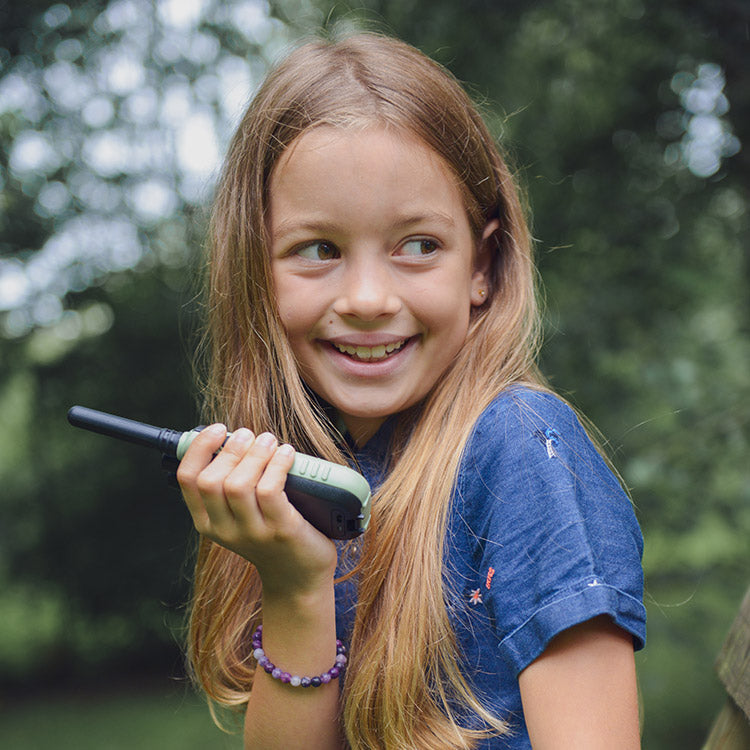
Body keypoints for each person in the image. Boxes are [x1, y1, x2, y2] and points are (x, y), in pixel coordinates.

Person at [176, 32, 646, 749]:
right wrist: (296, 584)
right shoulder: (312, 472)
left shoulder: (521, 451)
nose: (368, 299)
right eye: (319, 249)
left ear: (481, 266)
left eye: (419, 246)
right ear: (255, 274)